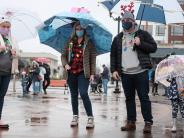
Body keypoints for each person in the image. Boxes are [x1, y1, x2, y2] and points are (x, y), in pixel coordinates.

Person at [110, 11, 157, 133]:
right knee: (129, 98)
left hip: (140, 72)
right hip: (125, 74)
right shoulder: (118, 38)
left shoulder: (143, 34)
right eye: (123, 21)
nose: (125, 22)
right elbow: (114, 55)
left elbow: (153, 47)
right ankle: (131, 122)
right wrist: (114, 70)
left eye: (128, 20)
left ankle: (148, 122)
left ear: (133, 21)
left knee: (144, 98)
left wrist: (140, 43)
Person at [61, 21, 96, 129]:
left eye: (81, 29)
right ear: (74, 30)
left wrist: (92, 73)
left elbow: (92, 59)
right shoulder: (70, 41)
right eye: (77, 28)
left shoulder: (88, 42)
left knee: (84, 93)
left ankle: (90, 117)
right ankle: (75, 116)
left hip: (83, 72)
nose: (79, 30)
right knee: (74, 95)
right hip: (71, 72)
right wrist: (65, 64)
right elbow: (63, 55)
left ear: (84, 30)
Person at [0, 17, 17, 128]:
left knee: (1, 96)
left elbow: (16, 55)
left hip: (6, 72)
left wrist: (14, 52)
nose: (6, 29)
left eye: (8, 27)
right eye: (3, 26)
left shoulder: (11, 40)